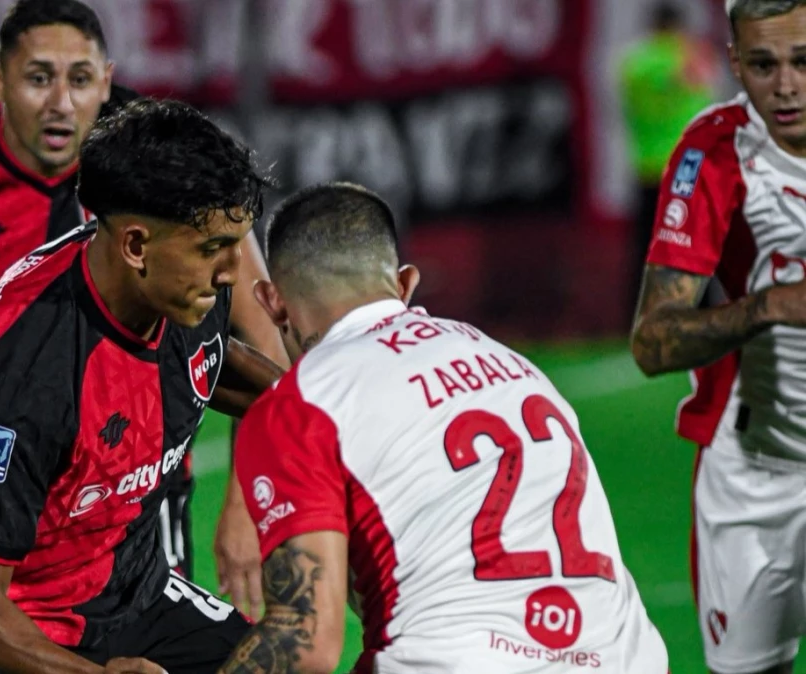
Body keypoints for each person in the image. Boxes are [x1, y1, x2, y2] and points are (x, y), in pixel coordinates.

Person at [0, 0, 282, 601]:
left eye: (80, 79)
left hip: (138, 496)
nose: (61, 101)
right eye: (39, 78)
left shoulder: (168, 169)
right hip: (0, 491)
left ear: (107, 82)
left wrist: (244, 508)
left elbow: (260, 335)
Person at [197, 182, 665, 673]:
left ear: (271, 302)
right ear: (405, 283)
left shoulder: (300, 406)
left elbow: (305, 642)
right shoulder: (515, 366)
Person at [0, 98, 280, 674]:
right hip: (6, 627)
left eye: (236, 244)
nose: (232, 270)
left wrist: (324, 406)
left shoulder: (187, 288)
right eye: (212, 249)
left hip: (132, 594)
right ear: (135, 246)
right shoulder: (24, 371)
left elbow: (209, 362)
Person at [631, 1, 806, 672]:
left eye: (804, 62)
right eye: (763, 65)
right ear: (733, 62)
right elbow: (652, 343)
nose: (786, 86)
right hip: (752, 472)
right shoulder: (711, 153)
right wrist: (768, 306)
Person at [619, 1, 719, 320]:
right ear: (677, 28)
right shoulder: (688, 58)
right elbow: (704, 84)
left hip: (647, 167)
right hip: (686, 168)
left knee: (648, 249)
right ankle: (702, 314)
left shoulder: (635, 64)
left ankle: (644, 316)